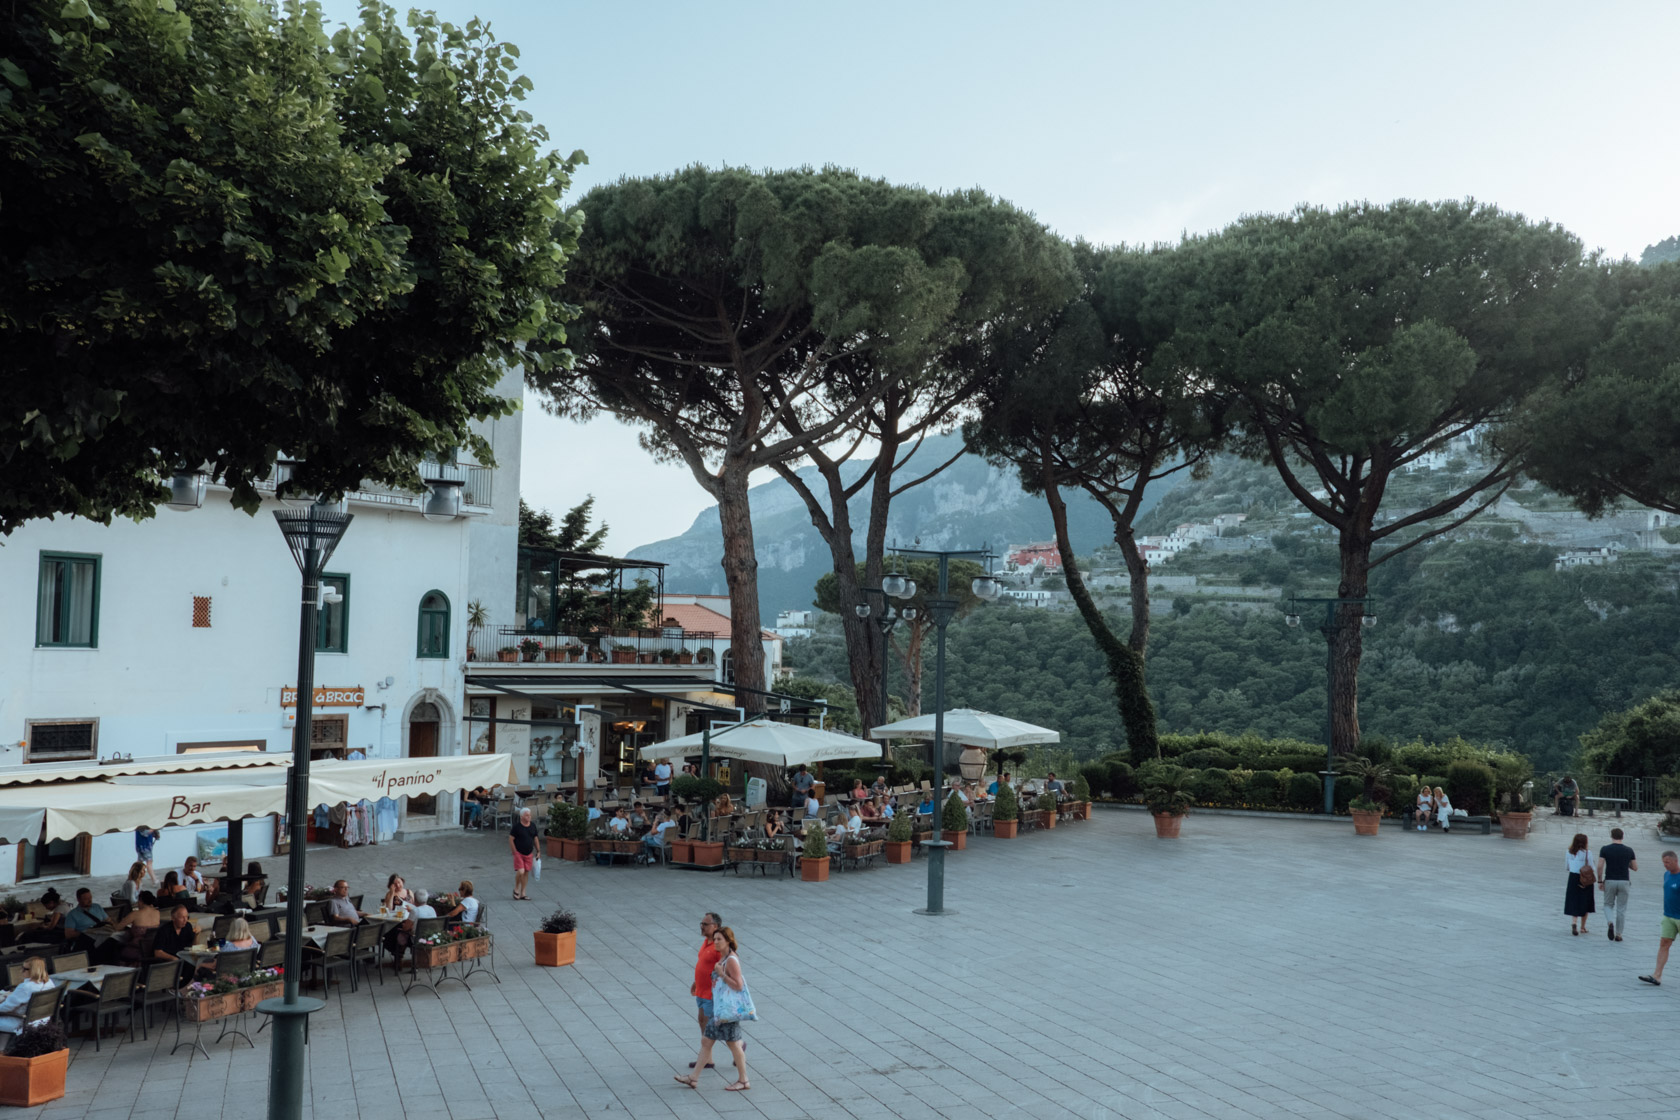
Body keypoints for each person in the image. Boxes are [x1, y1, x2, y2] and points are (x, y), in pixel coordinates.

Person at [676, 925, 751, 1093]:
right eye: (715, 939)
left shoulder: (731, 960)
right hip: (720, 1009)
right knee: (707, 1041)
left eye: (719, 939)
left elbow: (738, 985)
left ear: (728, 941)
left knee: (734, 1045)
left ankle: (743, 1080)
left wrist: (722, 974)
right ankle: (693, 1078)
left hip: (728, 1011)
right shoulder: (724, 958)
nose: (715, 942)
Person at [682, 913, 723, 1074]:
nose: (702, 926)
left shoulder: (719, 946)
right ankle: (709, 1059)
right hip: (701, 991)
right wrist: (696, 982)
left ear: (716, 927)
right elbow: (702, 965)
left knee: (714, 1026)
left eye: (706, 924)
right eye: (701, 923)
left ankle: (739, 1045)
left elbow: (726, 966)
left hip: (711, 994)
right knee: (702, 1021)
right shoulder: (706, 942)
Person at [1639, 850, 1680, 986]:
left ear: (1676, 861)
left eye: (1667, 862)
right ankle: (1657, 975)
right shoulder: (1666, 875)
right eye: (1663, 862)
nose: (1665, 865)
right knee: (1664, 943)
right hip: (1668, 916)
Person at [1597, 828, 1638, 942]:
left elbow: (1600, 866)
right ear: (1622, 837)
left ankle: (1610, 922)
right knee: (1621, 908)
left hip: (1610, 880)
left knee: (1608, 904)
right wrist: (1626, 864)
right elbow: (1635, 867)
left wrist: (1600, 880)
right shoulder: (1629, 850)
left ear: (1612, 836)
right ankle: (1619, 934)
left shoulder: (1605, 849)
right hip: (1624, 881)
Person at [0, 958, 55, 1035]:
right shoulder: (49, 982)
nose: (21, 970)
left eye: (25, 969)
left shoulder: (25, 987)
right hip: (43, 1020)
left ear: (34, 970)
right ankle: (2, 1046)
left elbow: (6, 1007)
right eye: (22, 967)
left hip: (22, 1022)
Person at [385, 889, 437, 969]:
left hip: (416, 939)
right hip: (429, 937)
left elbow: (406, 928)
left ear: (415, 900)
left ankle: (398, 960)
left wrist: (404, 925)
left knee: (395, 932)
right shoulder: (432, 909)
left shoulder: (415, 911)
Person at [1566, 832, 1596, 936]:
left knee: (1574, 900)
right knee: (1585, 901)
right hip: (1585, 878)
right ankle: (1582, 927)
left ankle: (1574, 922)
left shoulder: (1569, 852)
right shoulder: (1587, 853)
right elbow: (1592, 866)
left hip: (1573, 878)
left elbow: (1567, 866)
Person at [510, 807, 540, 901]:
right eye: (527, 815)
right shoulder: (517, 827)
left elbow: (535, 838)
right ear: (522, 816)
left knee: (526, 872)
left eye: (530, 815)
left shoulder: (532, 826)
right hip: (519, 852)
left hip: (529, 853)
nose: (529, 817)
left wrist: (538, 851)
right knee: (521, 871)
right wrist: (514, 851)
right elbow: (511, 839)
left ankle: (523, 893)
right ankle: (516, 888)